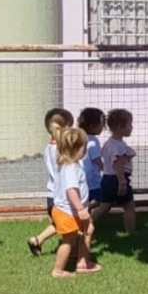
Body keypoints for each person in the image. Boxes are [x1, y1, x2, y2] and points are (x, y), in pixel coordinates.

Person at [48, 127, 99, 280]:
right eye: (85, 145)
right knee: (68, 241)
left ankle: (83, 263)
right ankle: (58, 270)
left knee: (88, 230)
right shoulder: (70, 168)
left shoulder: (71, 165)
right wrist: (81, 208)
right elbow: (71, 190)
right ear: (78, 148)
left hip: (71, 210)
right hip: (68, 211)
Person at [28, 108, 75, 256]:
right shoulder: (62, 151)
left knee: (59, 224)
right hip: (62, 195)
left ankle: (38, 240)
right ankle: (73, 255)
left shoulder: (48, 148)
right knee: (72, 224)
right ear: (66, 127)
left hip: (51, 194)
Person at [94, 108, 137, 236]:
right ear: (120, 127)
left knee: (104, 206)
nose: (132, 127)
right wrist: (122, 183)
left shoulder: (109, 143)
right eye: (130, 124)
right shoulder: (118, 146)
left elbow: (111, 158)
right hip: (117, 179)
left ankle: (86, 223)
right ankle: (131, 232)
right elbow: (118, 165)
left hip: (106, 178)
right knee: (129, 206)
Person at [76, 108, 106, 244]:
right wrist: (106, 168)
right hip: (93, 178)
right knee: (102, 200)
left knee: (88, 199)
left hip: (82, 177)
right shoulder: (93, 141)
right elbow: (96, 159)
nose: (103, 127)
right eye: (101, 124)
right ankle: (88, 219)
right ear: (92, 126)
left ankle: (85, 216)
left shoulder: (80, 137)